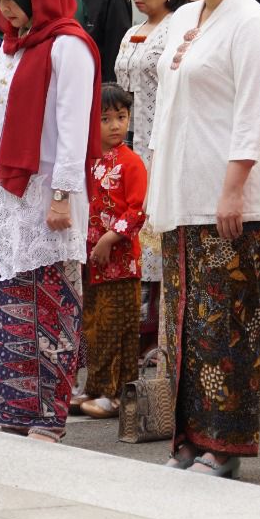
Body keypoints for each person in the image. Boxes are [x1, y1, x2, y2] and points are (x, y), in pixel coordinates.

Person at [146, 0, 260, 478]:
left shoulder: (250, 24)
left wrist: (233, 192)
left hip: (230, 200)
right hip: (182, 193)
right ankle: (187, 436)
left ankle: (223, 444)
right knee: (183, 324)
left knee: (226, 325)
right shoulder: (182, 19)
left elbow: (252, 117)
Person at [0, 0, 98, 441]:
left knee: (52, 301)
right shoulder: (11, 47)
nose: (5, 9)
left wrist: (64, 194)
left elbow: (72, 127)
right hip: (6, 191)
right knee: (6, 297)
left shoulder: (69, 46)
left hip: (46, 190)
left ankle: (49, 414)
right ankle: (12, 404)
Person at [115, 0, 184, 310]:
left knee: (153, 221)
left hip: (157, 143)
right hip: (125, 143)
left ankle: (156, 318)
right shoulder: (131, 32)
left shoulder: (176, 28)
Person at [80, 83, 148, 420]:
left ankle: (116, 392)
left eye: (121, 117)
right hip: (93, 263)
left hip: (121, 264)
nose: (115, 125)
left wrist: (109, 238)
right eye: (105, 119)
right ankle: (95, 385)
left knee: (117, 328)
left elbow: (136, 212)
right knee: (94, 326)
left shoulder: (131, 163)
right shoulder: (89, 161)